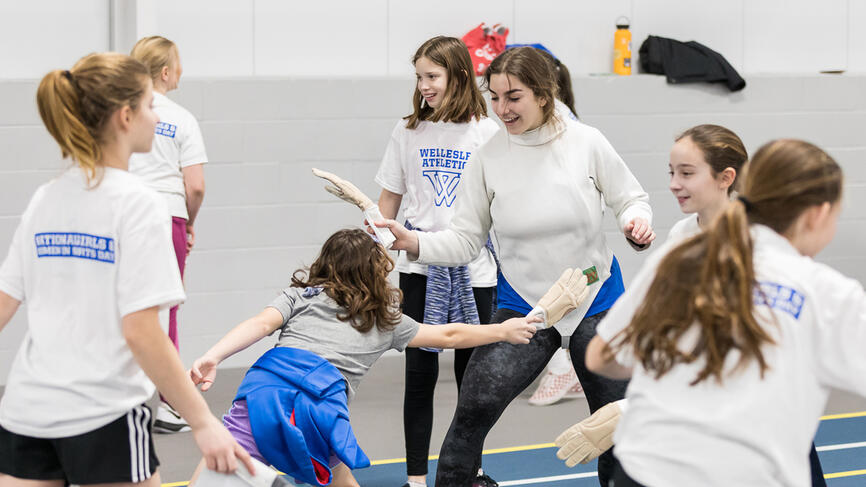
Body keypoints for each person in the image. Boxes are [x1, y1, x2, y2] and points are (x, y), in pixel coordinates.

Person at [376, 46, 655, 486]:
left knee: (615, 431)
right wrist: (414, 242)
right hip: (525, 306)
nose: (502, 109)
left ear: (544, 95)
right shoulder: (488, 155)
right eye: (496, 97)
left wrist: (634, 222)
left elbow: (630, 199)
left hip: (596, 301)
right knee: (469, 420)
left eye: (514, 97)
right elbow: (466, 240)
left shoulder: (587, 142)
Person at [0, 52, 250, 486]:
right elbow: (142, 331)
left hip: (26, 412)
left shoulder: (47, 197)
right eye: (151, 106)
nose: (157, 117)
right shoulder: (141, 204)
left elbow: (3, 303)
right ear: (125, 115)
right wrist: (204, 422)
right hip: (105, 413)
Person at [187, 229, 582, 487]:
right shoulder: (384, 319)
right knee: (336, 473)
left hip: (263, 390)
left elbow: (258, 324)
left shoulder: (302, 296)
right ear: (376, 273)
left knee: (217, 464)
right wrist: (503, 330)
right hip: (318, 402)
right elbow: (449, 333)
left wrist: (212, 355)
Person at [558, 126, 826, 486]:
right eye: (671, 172)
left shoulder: (761, 241)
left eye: (686, 173)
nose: (673, 183)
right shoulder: (681, 237)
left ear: (725, 178)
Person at [374, 35, 500, 487]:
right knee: (420, 374)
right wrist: (375, 254)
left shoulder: (488, 132)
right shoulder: (408, 131)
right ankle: (414, 478)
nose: (424, 85)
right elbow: (388, 200)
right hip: (419, 267)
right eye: (419, 77)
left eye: (432, 76)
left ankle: (471, 468)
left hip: (476, 270)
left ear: (458, 76)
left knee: (475, 381)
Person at [129, 35, 207, 434]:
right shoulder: (183, 118)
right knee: (167, 307)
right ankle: (172, 405)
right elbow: (195, 186)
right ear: (164, 72)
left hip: (123, 215)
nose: (181, 72)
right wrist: (189, 222)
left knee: (124, 304)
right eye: (177, 65)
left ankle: (120, 400)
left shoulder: (121, 112)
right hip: (167, 216)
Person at [526, 47, 584, 407]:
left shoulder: (561, 120)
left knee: (557, 297)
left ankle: (564, 364)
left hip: (559, 227)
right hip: (549, 225)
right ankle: (569, 366)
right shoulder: (556, 115)